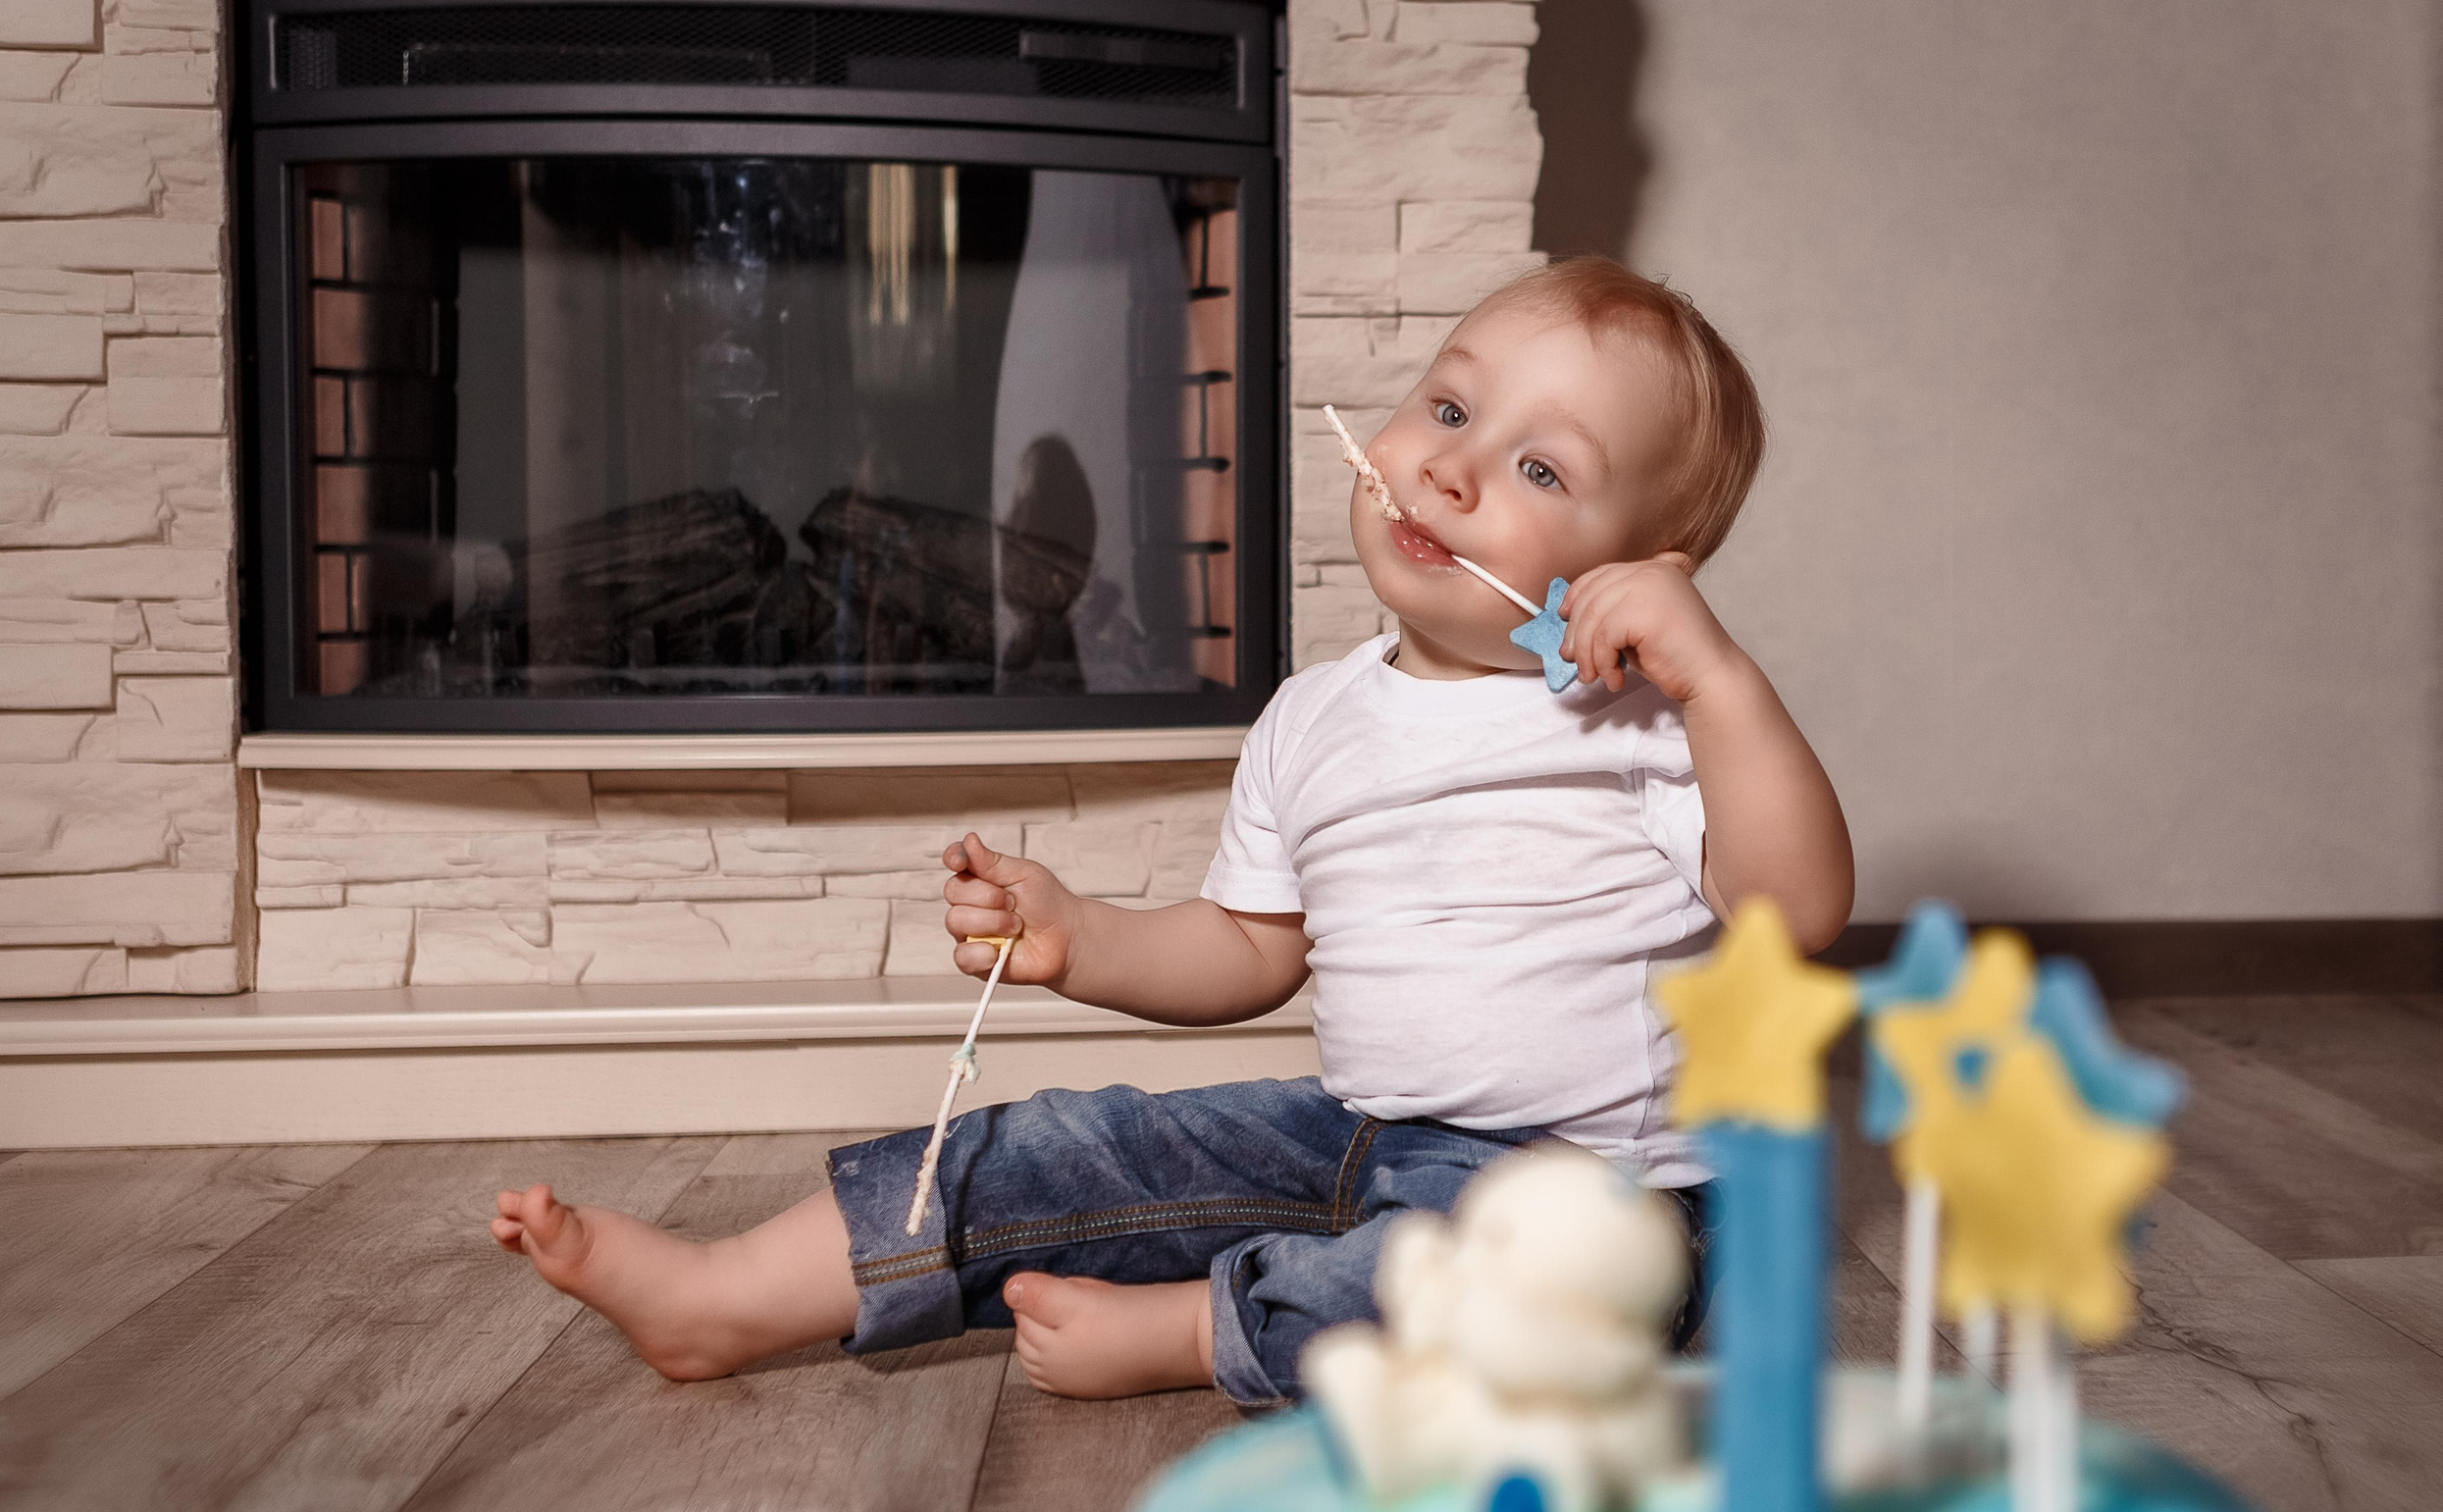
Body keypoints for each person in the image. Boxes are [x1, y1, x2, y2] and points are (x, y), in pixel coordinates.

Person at [490, 256, 1855, 1409]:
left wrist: (1724, 682)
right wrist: (1081, 939)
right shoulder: (1312, 720)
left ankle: (1208, 1331)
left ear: (1640, 574)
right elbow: (1251, 951)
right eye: (1446, 405)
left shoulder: (1654, 729)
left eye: (1539, 465)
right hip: (1352, 1135)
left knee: (1533, 1301)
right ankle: (726, 1296)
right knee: (1059, 1148)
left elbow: (1793, 914)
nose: (1446, 466)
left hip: (1599, 1202)